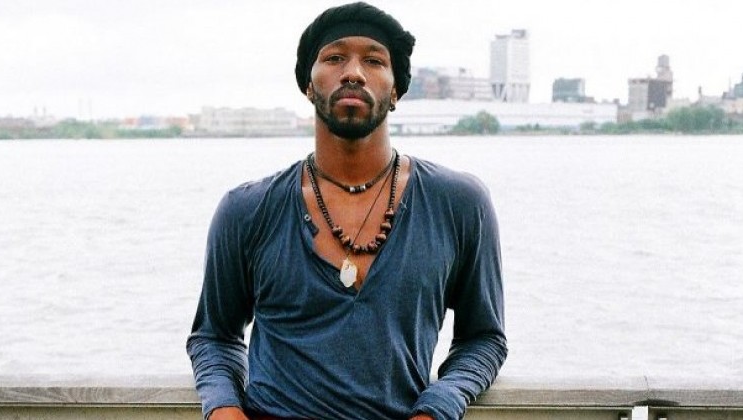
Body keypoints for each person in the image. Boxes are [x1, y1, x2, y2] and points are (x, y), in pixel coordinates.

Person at [187, 2, 506, 419]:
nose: (353, 72)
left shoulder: (458, 204)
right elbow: (213, 337)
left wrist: (438, 407)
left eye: (374, 60)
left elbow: (484, 338)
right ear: (308, 84)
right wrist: (224, 410)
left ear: (396, 90)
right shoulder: (247, 210)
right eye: (335, 57)